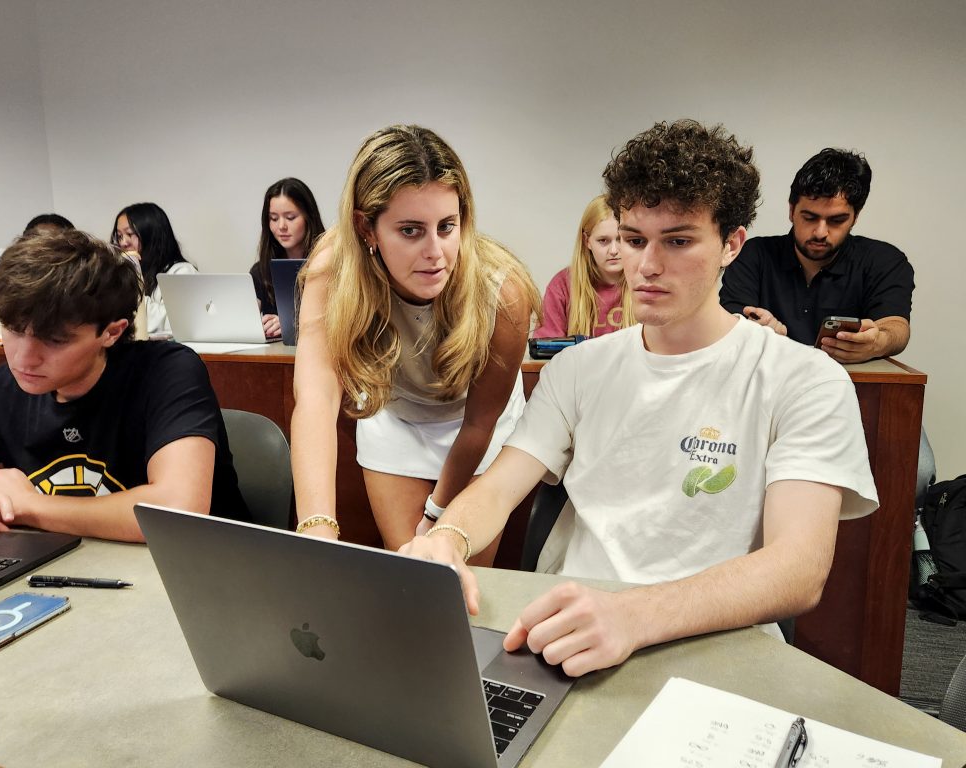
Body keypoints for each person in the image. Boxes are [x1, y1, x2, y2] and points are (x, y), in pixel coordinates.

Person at [400, 119, 878, 677]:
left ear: (731, 244)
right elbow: (500, 486)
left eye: (677, 241)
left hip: (716, 649)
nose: (646, 266)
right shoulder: (578, 369)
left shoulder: (804, 380)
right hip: (571, 639)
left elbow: (797, 570)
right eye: (633, 239)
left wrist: (633, 615)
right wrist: (447, 539)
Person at [291, 124, 541, 562]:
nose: (436, 252)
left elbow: (479, 423)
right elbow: (316, 398)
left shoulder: (503, 290)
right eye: (410, 231)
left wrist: (437, 514)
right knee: (409, 573)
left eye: (447, 227)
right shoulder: (334, 268)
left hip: (476, 426)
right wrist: (315, 528)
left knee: (456, 573)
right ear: (366, 228)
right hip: (397, 416)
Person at [0, 230, 248, 543]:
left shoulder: (166, 372)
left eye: (55, 340)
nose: (24, 358)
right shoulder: (5, 388)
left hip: (201, 572)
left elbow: (177, 511)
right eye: (13, 330)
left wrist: (30, 505)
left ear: (112, 333)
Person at [719, 148, 914, 364]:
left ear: (855, 217)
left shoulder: (884, 261)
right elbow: (728, 320)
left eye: (837, 220)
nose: (821, 232)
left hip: (851, 387)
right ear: (792, 211)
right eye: (810, 218)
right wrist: (756, 330)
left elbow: (897, 326)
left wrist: (877, 342)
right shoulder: (752, 255)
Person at [532, 195, 634, 338]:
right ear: (587, 241)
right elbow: (545, 351)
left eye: (620, 239)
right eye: (603, 240)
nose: (613, 250)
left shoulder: (646, 282)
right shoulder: (562, 285)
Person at [250, 178, 326, 340]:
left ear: (308, 217)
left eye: (290, 217)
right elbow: (247, 319)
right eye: (274, 218)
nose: (281, 226)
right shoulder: (260, 270)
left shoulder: (327, 264)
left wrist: (289, 324)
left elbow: (334, 319)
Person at [111, 202, 196, 337]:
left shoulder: (180, 272)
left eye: (129, 234)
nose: (123, 243)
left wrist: (133, 287)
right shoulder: (122, 272)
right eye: (119, 236)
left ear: (151, 235)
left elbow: (173, 322)